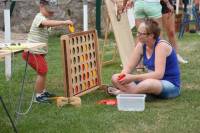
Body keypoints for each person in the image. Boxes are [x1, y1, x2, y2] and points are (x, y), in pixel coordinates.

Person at [108, 19, 181, 99]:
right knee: (115, 78)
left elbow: (158, 75)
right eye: (137, 32)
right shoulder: (141, 45)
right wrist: (123, 77)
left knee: (148, 84)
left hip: (169, 84)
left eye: (140, 33)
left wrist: (132, 77)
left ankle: (124, 93)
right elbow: (128, 67)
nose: (137, 35)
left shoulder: (161, 46)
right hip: (151, 81)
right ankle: (139, 94)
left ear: (151, 35)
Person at [22, 0, 73, 103]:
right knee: (43, 71)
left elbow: (48, 24)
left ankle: (42, 91)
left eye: (53, 11)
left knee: (43, 71)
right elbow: (46, 23)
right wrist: (64, 22)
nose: (52, 13)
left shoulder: (44, 18)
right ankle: (38, 96)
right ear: (41, 6)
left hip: (37, 52)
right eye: (49, 10)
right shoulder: (39, 17)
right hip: (31, 52)